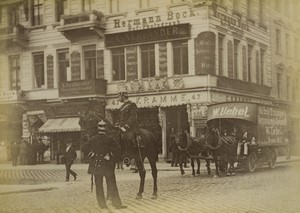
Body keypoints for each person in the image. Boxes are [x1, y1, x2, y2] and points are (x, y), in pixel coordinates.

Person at [82, 119, 127, 209]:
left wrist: (92, 154)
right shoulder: (110, 139)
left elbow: (84, 148)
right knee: (112, 185)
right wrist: (110, 155)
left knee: (99, 185)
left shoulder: (93, 139)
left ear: (98, 129)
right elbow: (118, 151)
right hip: (107, 165)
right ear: (106, 129)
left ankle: (102, 204)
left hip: (96, 165)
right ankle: (117, 204)